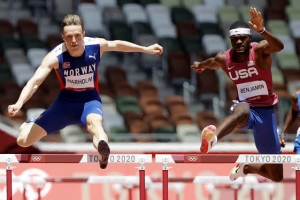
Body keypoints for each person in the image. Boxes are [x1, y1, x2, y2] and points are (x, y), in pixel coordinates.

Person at [7, 14, 163, 169]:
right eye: (69, 37)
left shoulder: (95, 46)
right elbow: (35, 82)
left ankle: (103, 151)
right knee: (23, 141)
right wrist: (19, 103)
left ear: (83, 35)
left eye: (77, 36)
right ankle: (30, 124)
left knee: (96, 124)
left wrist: (145, 49)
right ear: (63, 37)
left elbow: (117, 44)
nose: (74, 40)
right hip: (65, 104)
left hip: (89, 100)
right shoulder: (55, 57)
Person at [191, 7, 284, 182]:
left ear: (249, 38)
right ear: (230, 40)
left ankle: (246, 168)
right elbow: (212, 62)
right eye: (235, 39)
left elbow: (279, 47)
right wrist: (201, 64)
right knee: (242, 111)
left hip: (265, 112)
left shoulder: (259, 52)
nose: (239, 42)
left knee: (276, 175)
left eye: (242, 38)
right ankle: (213, 138)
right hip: (245, 106)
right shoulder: (224, 58)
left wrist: (262, 31)